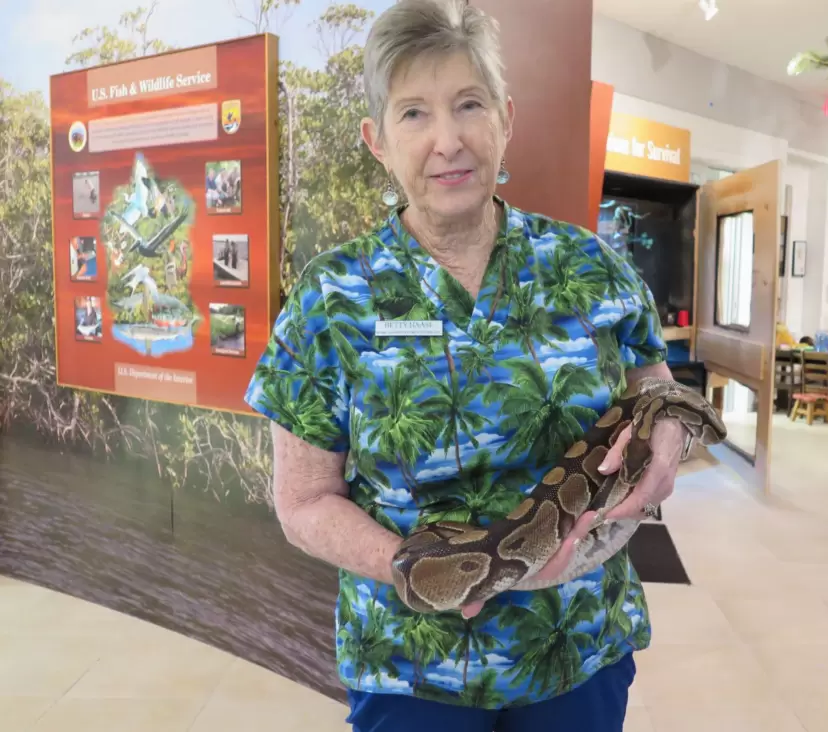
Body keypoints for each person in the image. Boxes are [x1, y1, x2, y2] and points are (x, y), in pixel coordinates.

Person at [244, 1, 699, 729]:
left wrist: (669, 435)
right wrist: (418, 571)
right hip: (410, 667)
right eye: (414, 114)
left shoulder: (590, 267)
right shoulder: (330, 298)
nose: (448, 140)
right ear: (377, 140)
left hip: (575, 645)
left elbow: (655, 386)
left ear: (506, 118)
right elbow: (302, 501)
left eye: (469, 104)